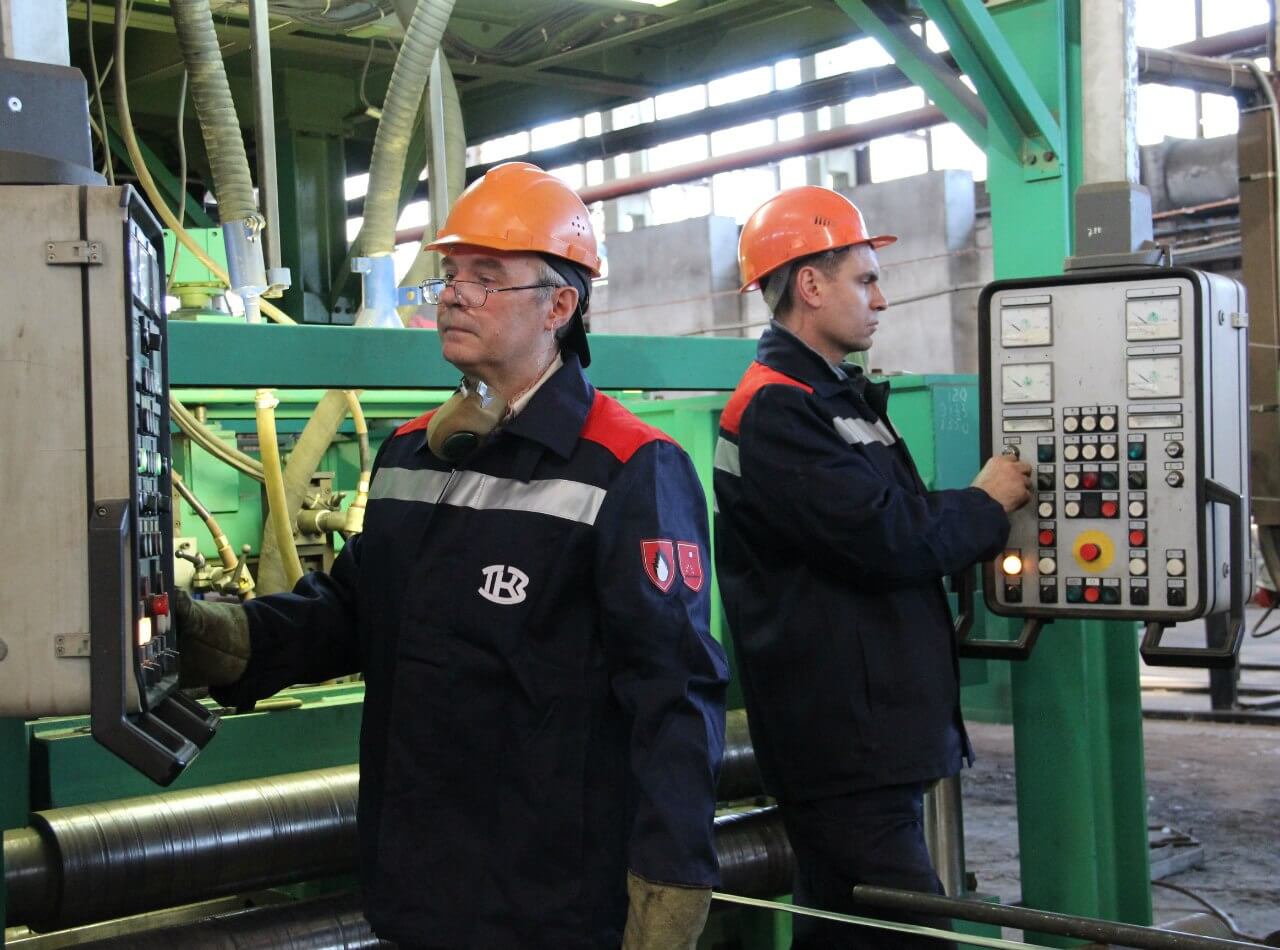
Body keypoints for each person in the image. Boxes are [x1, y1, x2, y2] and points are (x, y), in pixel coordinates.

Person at [175, 161, 729, 950]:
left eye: (487, 277)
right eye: (452, 274)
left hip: (551, 905)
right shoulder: (411, 456)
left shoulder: (626, 467)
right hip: (417, 887)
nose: (454, 295)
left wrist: (673, 877)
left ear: (560, 306)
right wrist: (234, 641)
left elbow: (674, 694)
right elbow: (355, 609)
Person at [712, 185, 1031, 949]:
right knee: (908, 932)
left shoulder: (833, 399)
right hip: (843, 745)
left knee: (842, 927)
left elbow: (888, 517)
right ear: (811, 285)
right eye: (866, 279)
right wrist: (985, 504)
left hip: (864, 736)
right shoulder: (779, 409)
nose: (881, 299)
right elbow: (888, 537)